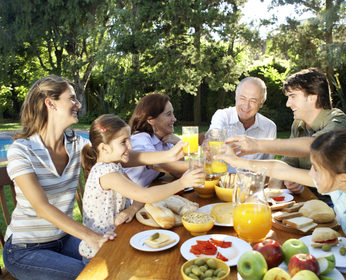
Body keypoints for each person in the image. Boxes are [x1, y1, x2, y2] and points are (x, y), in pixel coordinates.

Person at [3, 76, 186, 280]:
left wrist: (169, 155)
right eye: (71, 98)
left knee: (124, 258)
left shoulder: (74, 144)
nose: (78, 104)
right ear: (50, 103)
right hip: (25, 250)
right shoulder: (22, 150)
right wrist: (92, 237)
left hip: (64, 238)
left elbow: (120, 156)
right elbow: (41, 207)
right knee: (98, 275)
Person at [217, 129, 346, 280]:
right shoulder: (340, 188)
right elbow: (281, 169)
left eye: (316, 169)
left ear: (344, 178)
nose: (310, 175)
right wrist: (237, 162)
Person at [79, 114, 204, 262]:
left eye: (129, 140)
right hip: (99, 254)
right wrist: (183, 183)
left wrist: (131, 209)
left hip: (116, 240)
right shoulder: (106, 173)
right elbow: (146, 196)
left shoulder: (114, 165)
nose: (130, 147)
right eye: (123, 142)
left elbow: (139, 197)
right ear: (104, 148)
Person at [226, 68, 346, 194]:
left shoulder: (340, 122)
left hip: (340, 205)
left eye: (293, 96)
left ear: (312, 97)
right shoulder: (298, 124)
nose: (288, 103)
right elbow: (287, 163)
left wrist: (257, 145)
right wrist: (274, 191)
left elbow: (315, 145)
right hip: (308, 198)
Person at [125, 93, 188, 188]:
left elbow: (179, 174)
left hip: (145, 195)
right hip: (128, 199)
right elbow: (156, 164)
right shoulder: (141, 138)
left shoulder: (166, 140)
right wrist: (199, 165)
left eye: (173, 114)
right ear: (151, 120)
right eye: (168, 114)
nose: (174, 119)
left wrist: (177, 144)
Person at [208, 76, 277, 161]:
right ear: (236, 97)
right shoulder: (222, 116)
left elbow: (269, 166)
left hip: (253, 174)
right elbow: (214, 134)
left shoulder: (270, 127)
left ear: (262, 102)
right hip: (223, 174)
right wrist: (211, 139)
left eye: (253, 101)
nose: (246, 105)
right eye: (242, 98)